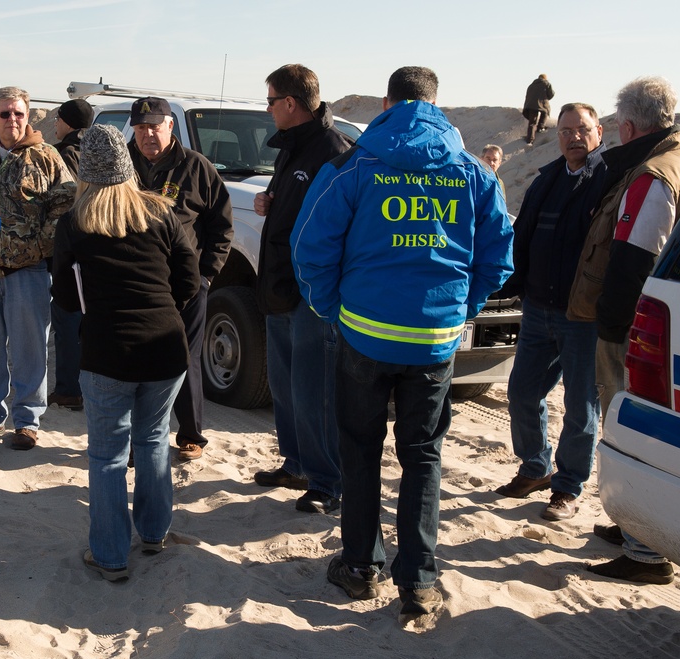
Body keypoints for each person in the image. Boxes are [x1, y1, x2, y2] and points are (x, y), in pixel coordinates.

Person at [292, 66, 513, 623]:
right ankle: (418, 579)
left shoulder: (353, 165)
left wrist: (333, 311)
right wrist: (461, 309)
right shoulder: (471, 172)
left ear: (388, 103)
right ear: (437, 104)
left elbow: (309, 248)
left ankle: (361, 567)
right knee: (423, 455)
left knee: (360, 449)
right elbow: (498, 259)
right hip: (434, 343)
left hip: (365, 333)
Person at [569, 77, 680, 584]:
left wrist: (611, 324)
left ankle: (643, 550)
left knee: (628, 426)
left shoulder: (651, 175)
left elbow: (632, 259)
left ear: (626, 126)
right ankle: (636, 526)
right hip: (671, 321)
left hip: (637, 329)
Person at [52, 124, 200, 582]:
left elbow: (64, 296)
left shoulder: (75, 221)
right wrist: (160, 306)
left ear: (85, 171)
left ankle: (112, 555)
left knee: (108, 455)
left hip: (107, 350)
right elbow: (190, 280)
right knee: (153, 439)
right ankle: (154, 533)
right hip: (163, 345)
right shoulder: (161, 212)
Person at [494, 103, 608, 522]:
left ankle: (567, 487)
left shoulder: (609, 181)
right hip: (538, 308)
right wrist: (511, 285)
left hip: (582, 315)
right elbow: (521, 237)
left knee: (580, 406)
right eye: (565, 131)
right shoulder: (547, 180)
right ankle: (535, 467)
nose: (573, 137)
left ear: (599, 131)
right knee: (523, 392)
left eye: (581, 129)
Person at [251, 64, 352, 513]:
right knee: (286, 387)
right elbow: (290, 204)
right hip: (278, 289)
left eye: (271, 100)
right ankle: (295, 464)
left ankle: (328, 481)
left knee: (316, 393)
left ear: (290, 103)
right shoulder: (291, 148)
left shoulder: (334, 151)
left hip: (311, 295)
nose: (269, 108)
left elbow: (341, 227)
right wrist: (267, 202)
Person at [0, 86, 75, 451]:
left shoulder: (47, 158)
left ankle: (27, 421)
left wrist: (36, 246)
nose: (12, 120)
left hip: (28, 272)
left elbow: (66, 209)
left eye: (19, 114)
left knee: (30, 350)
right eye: (4, 114)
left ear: (28, 117)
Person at [127, 97, 233, 461]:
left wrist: (206, 275)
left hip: (184, 284)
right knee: (132, 362)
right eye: (140, 128)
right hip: (132, 283)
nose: (147, 135)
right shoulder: (121, 166)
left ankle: (190, 434)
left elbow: (222, 226)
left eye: (153, 127)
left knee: (185, 358)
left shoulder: (197, 167)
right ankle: (131, 439)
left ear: (170, 126)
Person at [48, 98, 94, 412]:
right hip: (97, 244)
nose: (55, 124)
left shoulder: (62, 153)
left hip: (70, 244)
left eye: (59, 119)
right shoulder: (96, 152)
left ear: (67, 122)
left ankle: (68, 389)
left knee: (66, 319)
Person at [523, 74, 555, 145]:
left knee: (532, 123)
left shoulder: (531, 85)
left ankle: (530, 140)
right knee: (545, 112)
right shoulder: (546, 83)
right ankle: (540, 127)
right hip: (541, 103)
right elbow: (551, 94)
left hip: (530, 105)